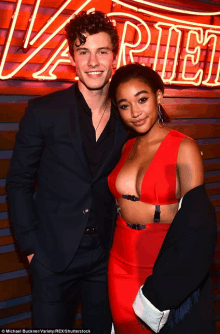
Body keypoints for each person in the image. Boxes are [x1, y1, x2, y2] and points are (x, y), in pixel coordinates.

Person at [6, 11, 128, 332]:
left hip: (104, 257)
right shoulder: (44, 111)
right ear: (71, 57)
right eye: (83, 51)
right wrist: (31, 250)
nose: (93, 61)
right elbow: (17, 183)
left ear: (114, 56)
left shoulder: (125, 117)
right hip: (53, 258)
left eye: (102, 51)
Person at [107, 63, 217, 334]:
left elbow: (197, 222)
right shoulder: (127, 146)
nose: (135, 112)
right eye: (124, 105)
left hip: (163, 260)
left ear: (159, 96)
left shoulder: (184, 147)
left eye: (142, 99)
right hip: (119, 259)